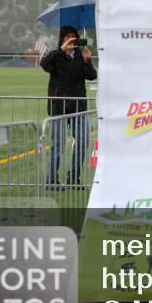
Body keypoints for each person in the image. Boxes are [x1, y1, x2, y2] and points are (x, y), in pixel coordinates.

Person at [39, 25, 96, 186]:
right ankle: (52, 180)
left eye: (74, 36)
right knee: (58, 144)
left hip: (79, 107)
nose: (71, 39)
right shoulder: (56, 55)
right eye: (67, 37)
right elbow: (44, 64)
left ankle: (73, 178)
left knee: (83, 141)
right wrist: (61, 50)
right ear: (62, 39)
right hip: (59, 106)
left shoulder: (80, 55)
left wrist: (87, 61)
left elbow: (92, 76)